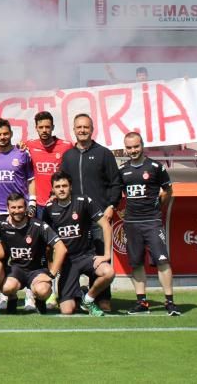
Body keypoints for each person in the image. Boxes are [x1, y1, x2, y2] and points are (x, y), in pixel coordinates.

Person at [61, 112, 121, 312]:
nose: (82, 130)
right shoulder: (68, 156)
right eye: (79, 127)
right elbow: (62, 184)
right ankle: (74, 293)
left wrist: (111, 205)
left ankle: (101, 296)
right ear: (74, 130)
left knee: (101, 258)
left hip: (98, 218)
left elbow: (115, 183)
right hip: (76, 220)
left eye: (86, 127)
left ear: (92, 129)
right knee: (74, 258)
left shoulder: (104, 153)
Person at [118, 132, 180, 316]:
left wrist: (158, 206)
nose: (133, 150)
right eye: (129, 148)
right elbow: (116, 194)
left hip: (152, 221)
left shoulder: (155, 167)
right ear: (125, 148)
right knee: (136, 263)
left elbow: (168, 190)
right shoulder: (122, 171)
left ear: (142, 145)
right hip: (131, 223)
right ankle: (142, 303)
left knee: (162, 261)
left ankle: (169, 302)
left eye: (136, 146)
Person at [44, 171, 114, 317]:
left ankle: (88, 299)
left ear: (70, 187)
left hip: (86, 256)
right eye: (58, 186)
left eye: (64, 186)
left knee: (109, 272)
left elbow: (106, 226)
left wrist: (106, 255)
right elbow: (48, 244)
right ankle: (79, 293)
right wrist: (52, 266)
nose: (61, 189)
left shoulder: (83, 201)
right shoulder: (49, 209)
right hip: (67, 262)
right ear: (53, 189)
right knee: (67, 310)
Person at [0, 192, 66, 314]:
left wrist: (52, 274)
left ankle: (39, 299)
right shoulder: (2, 227)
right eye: (13, 208)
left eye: (20, 207)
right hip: (16, 270)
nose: (17, 211)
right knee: (6, 288)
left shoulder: (38, 226)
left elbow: (61, 248)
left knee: (42, 290)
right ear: (8, 209)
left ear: (26, 207)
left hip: (37, 270)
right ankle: (12, 298)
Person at [0, 118, 35, 224]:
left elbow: (31, 180)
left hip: (20, 209)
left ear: (11, 134)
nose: (2, 137)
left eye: (5, 134)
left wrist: (32, 202)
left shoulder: (22, 153)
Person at [24, 111, 73, 208]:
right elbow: (10, 148)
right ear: (36, 128)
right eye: (41, 127)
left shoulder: (66, 146)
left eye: (47, 127)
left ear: (53, 127)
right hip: (39, 204)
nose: (44, 130)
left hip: (60, 201)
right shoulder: (29, 145)